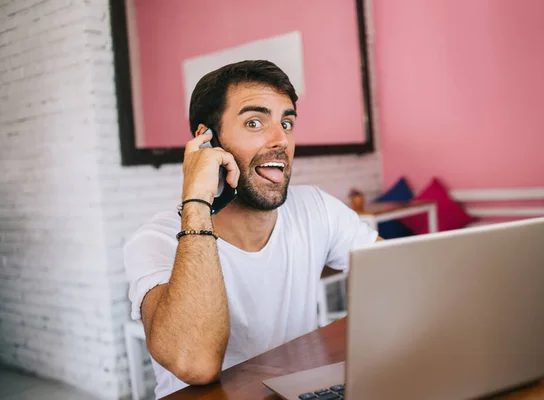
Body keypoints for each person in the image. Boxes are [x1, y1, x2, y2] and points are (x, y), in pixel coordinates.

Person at [124, 60, 382, 398]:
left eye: (286, 123)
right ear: (206, 142)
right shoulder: (154, 240)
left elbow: (395, 274)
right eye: (255, 122)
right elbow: (195, 364)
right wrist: (197, 201)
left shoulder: (316, 208)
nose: (281, 140)